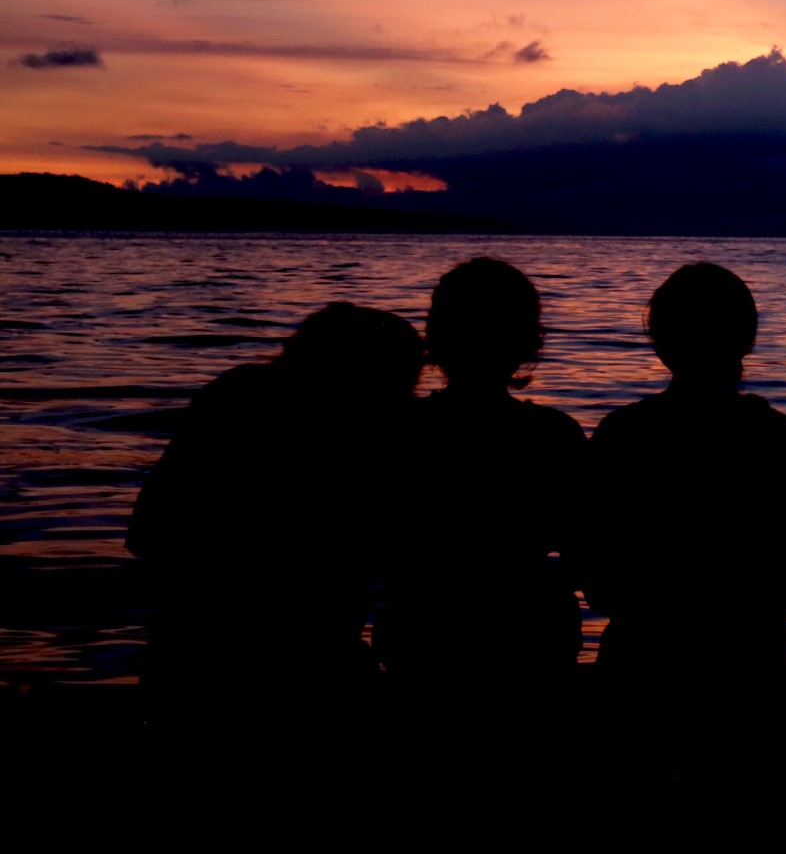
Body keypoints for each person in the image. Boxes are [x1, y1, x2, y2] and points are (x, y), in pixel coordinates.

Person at [128, 301, 421, 733]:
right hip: (305, 676)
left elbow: (147, 534)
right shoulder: (365, 441)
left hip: (184, 664)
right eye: (403, 384)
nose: (407, 397)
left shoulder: (236, 395)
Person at [584, 263, 786, 801]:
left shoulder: (622, 436)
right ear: (747, 339)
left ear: (661, 342)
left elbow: (599, 586)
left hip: (639, 676)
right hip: (752, 679)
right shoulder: (777, 440)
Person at [374, 258, 587, 720]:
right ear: (528, 342)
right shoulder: (553, 436)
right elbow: (583, 556)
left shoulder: (399, 433)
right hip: (530, 638)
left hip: (424, 636)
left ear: (436, 337)